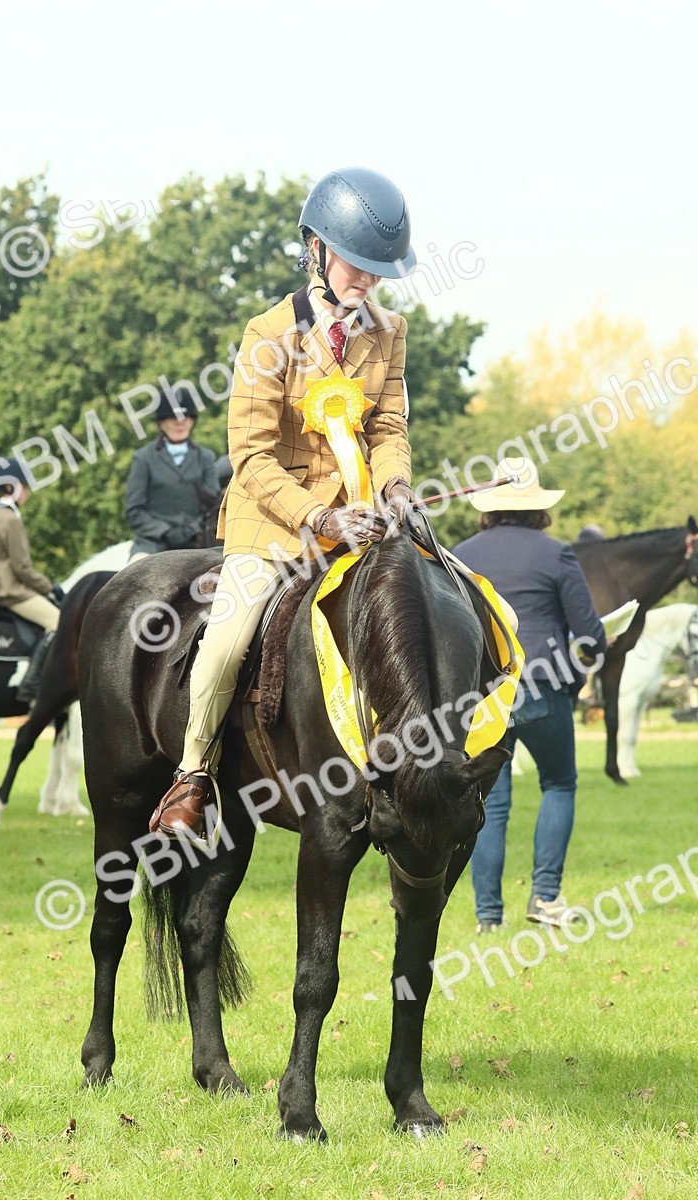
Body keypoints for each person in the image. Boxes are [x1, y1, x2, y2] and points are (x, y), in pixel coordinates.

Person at [149, 166, 419, 842]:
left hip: (361, 518)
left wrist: (396, 488)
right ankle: (192, 773)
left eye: (379, 271)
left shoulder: (389, 331)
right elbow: (251, 455)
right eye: (358, 265)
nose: (369, 282)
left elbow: (386, 428)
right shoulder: (268, 333)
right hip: (273, 523)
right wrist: (319, 516)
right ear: (318, 251)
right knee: (227, 640)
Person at [454, 457, 606, 932]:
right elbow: (590, 635)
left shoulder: (460, 555)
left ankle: (487, 917)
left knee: (492, 802)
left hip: (485, 696)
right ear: (538, 507)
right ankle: (544, 898)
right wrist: (580, 670)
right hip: (544, 686)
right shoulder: (557, 554)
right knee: (559, 784)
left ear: (489, 507)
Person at [0, 458, 63, 703]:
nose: (27, 492)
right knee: (58, 622)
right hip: (11, 590)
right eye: (24, 486)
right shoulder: (10, 519)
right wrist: (50, 587)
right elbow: (22, 568)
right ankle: (31, 683)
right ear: (10, 487)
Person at [125, 387, 221, 561]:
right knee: (135, 573)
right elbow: (134, 511)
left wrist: (192, 529)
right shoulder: (143, 458)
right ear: (161, 423)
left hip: (197, 542)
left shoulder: (206, 457)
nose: (180, 423)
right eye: (173, 417)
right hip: (153, 544)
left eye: (186, 417)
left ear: (192, 420)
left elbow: (213, 505)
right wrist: (165, 531)